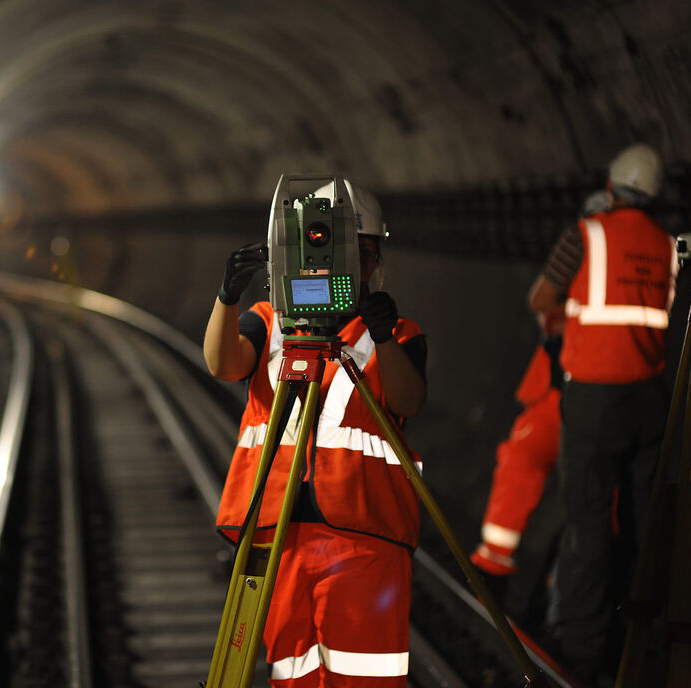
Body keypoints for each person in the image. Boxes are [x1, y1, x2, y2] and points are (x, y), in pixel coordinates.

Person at [204, 181, 427, 687]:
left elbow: (408, 402)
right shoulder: (271, 324)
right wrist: (227, 298)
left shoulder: (395, 333)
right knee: (293, 672)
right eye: (350, 252)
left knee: (363, 676)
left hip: (362, 536)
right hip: (277, 533)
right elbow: (222, 363)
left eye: (365, 254)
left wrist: (385, 335)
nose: (354, 267)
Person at [527, 143, 678, 685]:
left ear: (611, 189)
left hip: (593, 401)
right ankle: (643, 650)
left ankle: (585, 653)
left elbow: (540, 298)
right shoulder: (667, 244)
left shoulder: (586, 233)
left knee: (588, 526)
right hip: (651, 402)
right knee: (644, 527)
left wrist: (572, 323)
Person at [470, 191, 611, 615]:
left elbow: (538, 300)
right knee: (597, 494)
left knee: (523, 462)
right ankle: (562, 593)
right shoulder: (649, 253)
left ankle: (497, 572)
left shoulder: (580, 247)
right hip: (611, 398)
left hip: (565, 390)